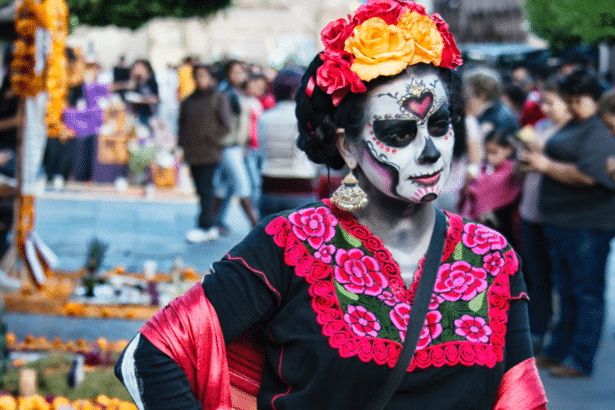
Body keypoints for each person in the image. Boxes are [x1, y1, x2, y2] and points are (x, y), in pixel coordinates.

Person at [115, 2, 547, 408]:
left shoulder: (490, 255)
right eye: (399, 132)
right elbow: (150, 357)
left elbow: (518, 396)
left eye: (439, 125)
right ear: (349, 148)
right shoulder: (295, 243)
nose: (431, 150)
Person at [519, 69, 615, 377]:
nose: (570, 106)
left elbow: (589, 174)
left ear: (589, 98)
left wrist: (545, 165)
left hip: (586, 224)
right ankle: (558, 349)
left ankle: (579, 357)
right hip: (563, 222)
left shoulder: (597, 131)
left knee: (586, 292)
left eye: (574, 101)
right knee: (568, 290)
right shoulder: (579, 124)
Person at [517, 76, 572, 355]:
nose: (546, 108)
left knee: (562, 279)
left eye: (552, 103)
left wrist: (543, 160)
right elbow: (522, 166)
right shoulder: (539, 127)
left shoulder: (575, 133)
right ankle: (537, 332)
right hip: (530, 210)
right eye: (544, 102)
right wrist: (526, 161)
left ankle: (559, 337)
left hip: (559, 215)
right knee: (537, 276)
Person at [178, 64, 232, 243]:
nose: (200, 79)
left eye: (203, 75)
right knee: (201, 190)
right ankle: (207, 224)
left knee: (206, 189)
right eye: (197, 75)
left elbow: (226, 125)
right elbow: (182, 126)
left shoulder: (218, 97)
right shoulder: (188, 100)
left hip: (210, 152)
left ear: (210, 77)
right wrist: (182, 146)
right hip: (192, 152)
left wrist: (211, 138)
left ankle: (206, 224)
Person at [258, 68, 318, 218]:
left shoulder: (264, 118)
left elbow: (262, 151)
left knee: (268, 238)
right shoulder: (306, 118)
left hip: (269, 185)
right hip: (300, 185)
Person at [212, 60, 260, 232]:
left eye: (241, 72)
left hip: (238, 146)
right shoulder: (225, 93)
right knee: (242, 184)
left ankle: (211, 222)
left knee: (222, 186)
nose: (238, 75)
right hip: (227, 145)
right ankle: (256, 224)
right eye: (235, 72)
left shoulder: (240, 92)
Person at [458, 128, 522, 249]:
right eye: (487, 152)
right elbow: (470, 194)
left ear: (508, 150)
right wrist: (468, 183)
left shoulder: (512, 170)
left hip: (507, 222)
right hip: (484, 226)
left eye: (494, 152)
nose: (489, 157)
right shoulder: (482, 169)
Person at [127, 59, 159, 127]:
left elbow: (156, 98)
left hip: (151, 115)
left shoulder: (151, 79)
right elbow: (130, 92)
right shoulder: (138, 81)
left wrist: (142, 99)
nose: (136, 69)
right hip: (140, 115)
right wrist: (133, 77)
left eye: (138, 67)